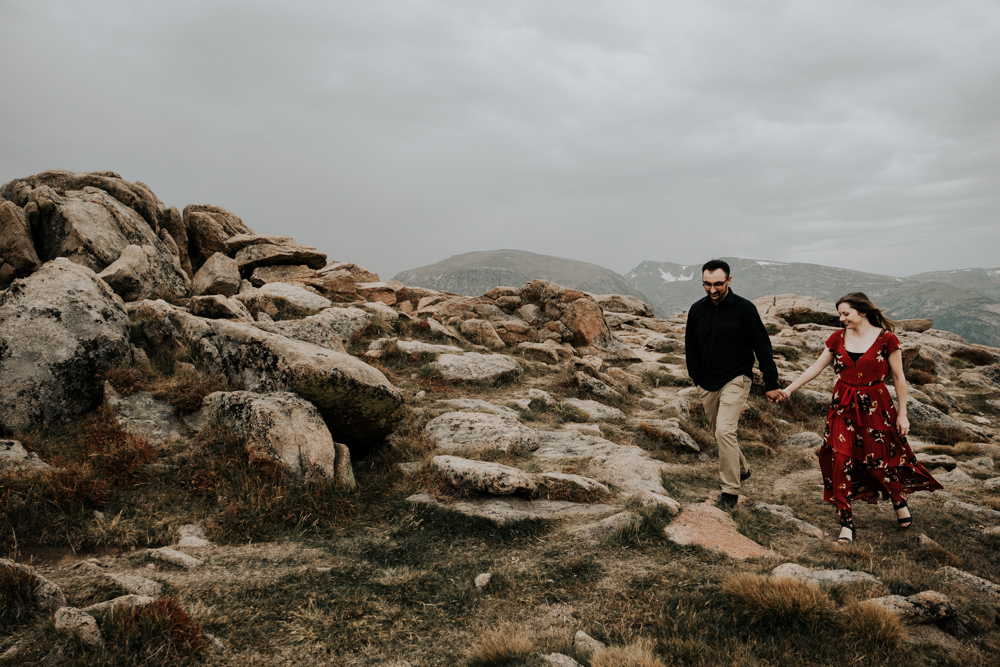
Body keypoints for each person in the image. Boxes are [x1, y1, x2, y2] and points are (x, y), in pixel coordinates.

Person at [778, 292, 942, 543]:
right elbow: (815, 367)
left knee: (878, 463)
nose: (841, 318)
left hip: (876, 407)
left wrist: (903, 415)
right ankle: (846, 520)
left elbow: (898, 378)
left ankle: (898, 500)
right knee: (840, 461)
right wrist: (789, 389)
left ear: (862, 312)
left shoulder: (887, 339)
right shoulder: (836, 339)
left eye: (846, 313)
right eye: (840, 314)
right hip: (842, 407)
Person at [686, 259, 785, 508]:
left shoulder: (745, 309)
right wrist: (695, 378)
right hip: (706, 381)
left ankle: (730, 491)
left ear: (729, 280)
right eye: (706, 284)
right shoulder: (697, 310)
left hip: (736, 378)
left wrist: (771, 383)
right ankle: (742, 468)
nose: (712, 289)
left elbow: (762, 346)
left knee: (724, 430)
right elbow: (691, 347)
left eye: (718, 284)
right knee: (717, 432)